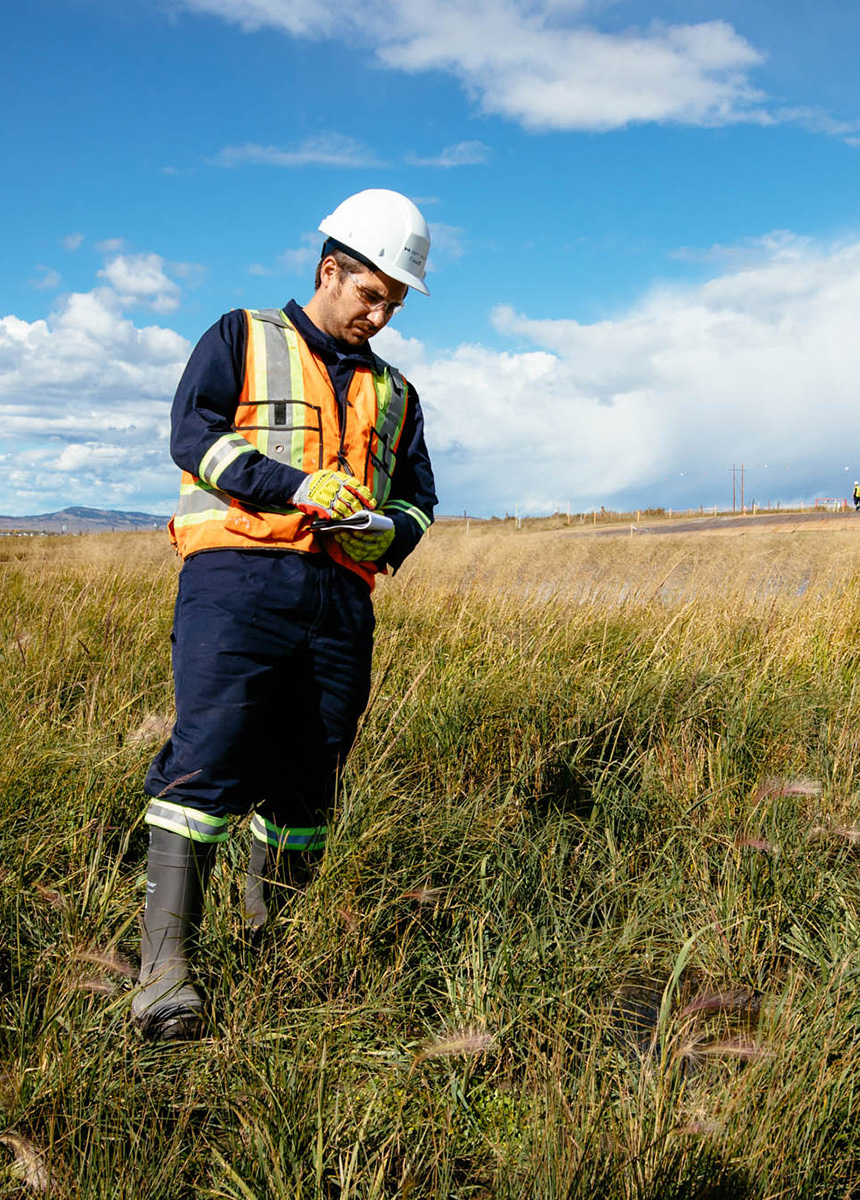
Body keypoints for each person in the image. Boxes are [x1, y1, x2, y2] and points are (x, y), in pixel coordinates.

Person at [133, 189, 437, 1041]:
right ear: (328, 270)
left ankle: (277, 956)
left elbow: (420, 500)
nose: (379, 315)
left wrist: (387, 532)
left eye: (394, 303)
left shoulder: (398, 391)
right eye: (369, 294)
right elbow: (194, 436)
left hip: (340, 600)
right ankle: (164, 978)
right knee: (211, 760)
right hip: (239, 580)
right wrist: (296, 487)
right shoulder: (241, 337)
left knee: (311, 778)